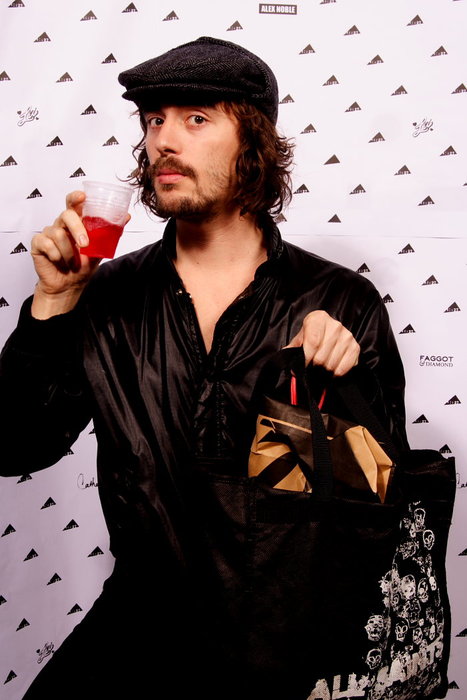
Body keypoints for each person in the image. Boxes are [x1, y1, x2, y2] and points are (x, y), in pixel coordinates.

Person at [0, 36, 408, 699]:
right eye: (154, 120)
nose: (163, 141)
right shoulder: (108, 297)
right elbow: (16, 445)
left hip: (288, 653)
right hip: (138, 639)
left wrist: (338, 386)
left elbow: (375, 511)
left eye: (195, 119)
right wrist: (53, 305)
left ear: (254, 145)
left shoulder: (339, 301)